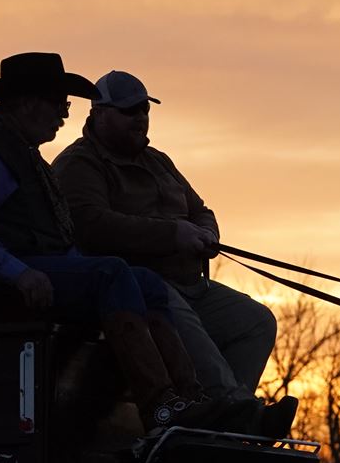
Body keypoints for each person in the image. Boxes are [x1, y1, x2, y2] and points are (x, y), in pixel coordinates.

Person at [0, 51, 238, 431]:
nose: (65, 113)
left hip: (23, 269)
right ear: (28, 103)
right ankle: (159, 405)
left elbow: (53, 237)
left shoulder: (28, 157)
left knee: (143, 279)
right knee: (111, 272)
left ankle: (190, 397)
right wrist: (18, 273)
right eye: (58, 103)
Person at [53, 70, 293, 435]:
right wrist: (172, 235)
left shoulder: (158, 161)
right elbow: (92, 226)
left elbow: (199, 209)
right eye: (130, 111)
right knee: (183, 322)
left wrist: (207, 232)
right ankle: (238, 412)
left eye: (145, 110)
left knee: (255, 321)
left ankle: (222, 426)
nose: (141, 118)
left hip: (192, 283)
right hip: (141, 289)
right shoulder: (79, 164)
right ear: (99, 114)